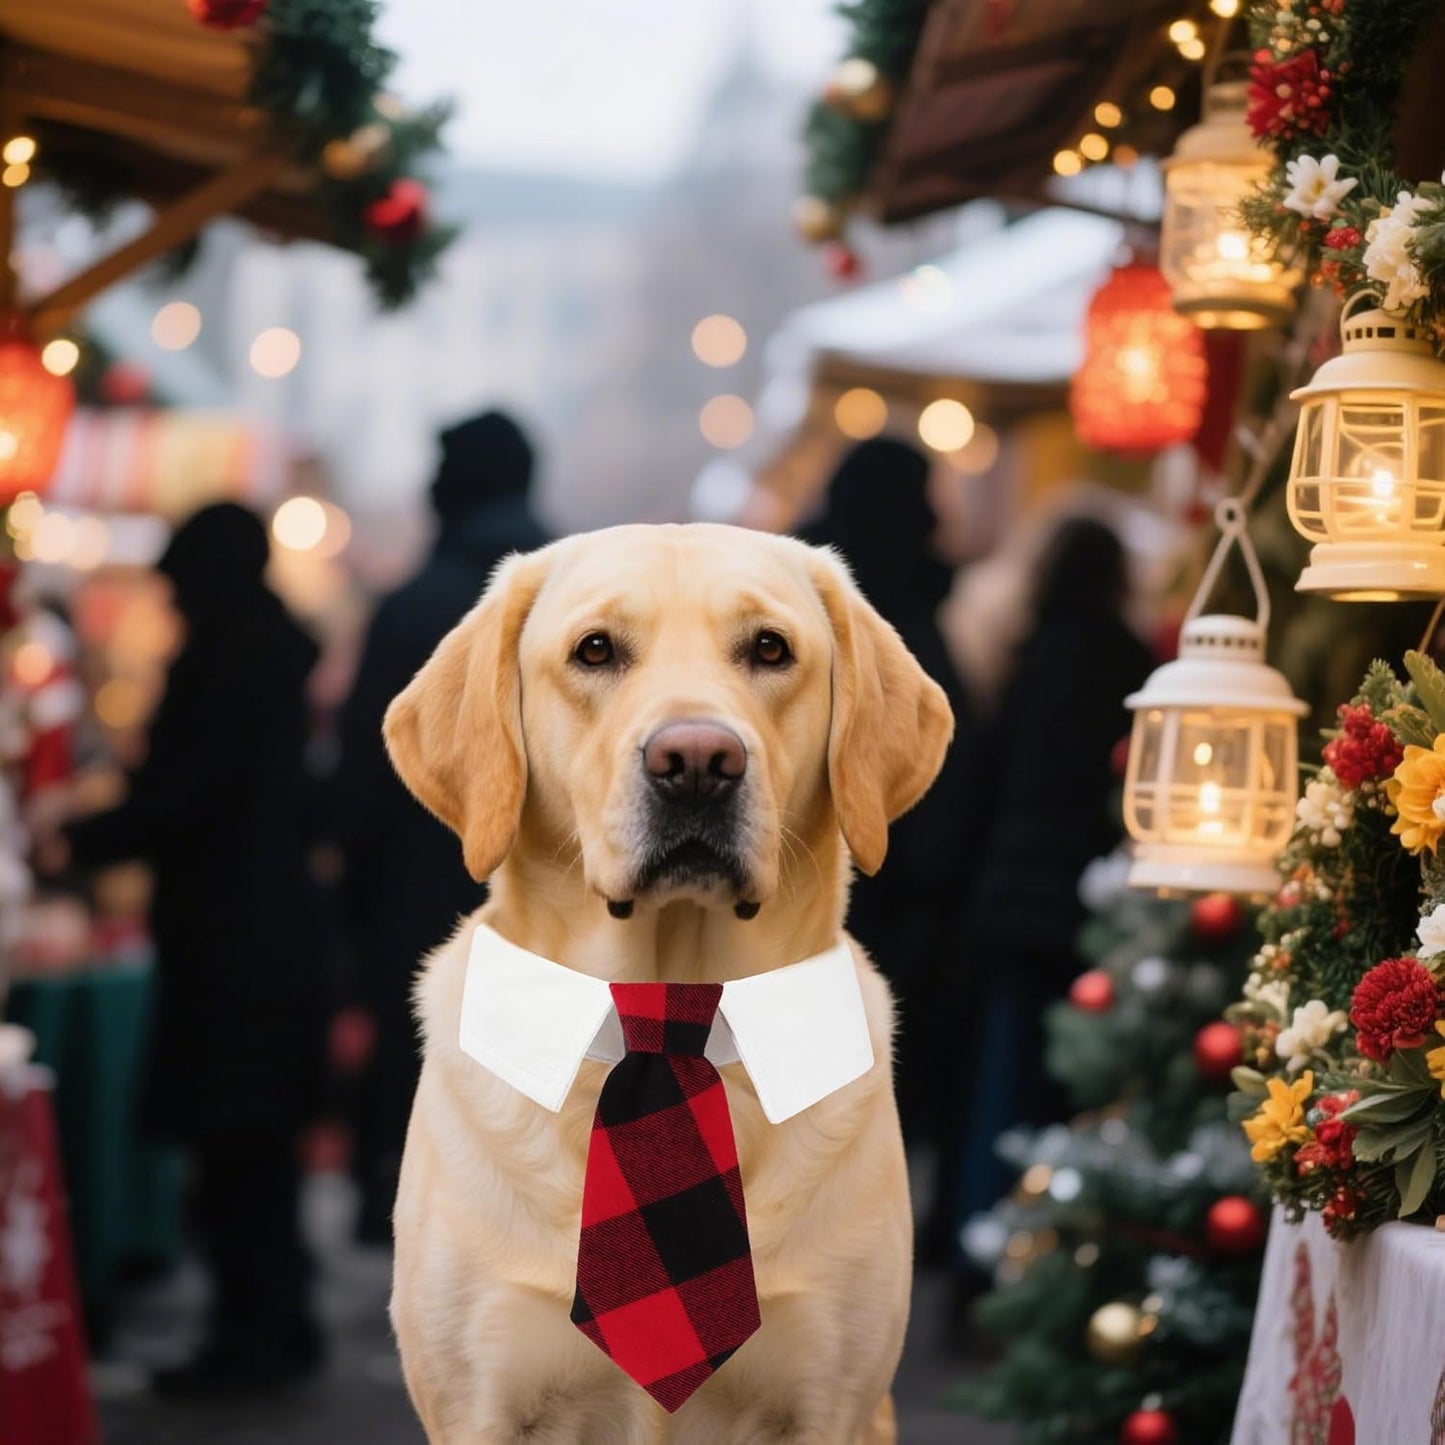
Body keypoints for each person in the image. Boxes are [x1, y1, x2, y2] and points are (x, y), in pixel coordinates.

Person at [62, 502, 328, 1396]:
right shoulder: (271, 654)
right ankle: (278, 1322)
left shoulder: (226, 662)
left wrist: (82, 837)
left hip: (229, 945)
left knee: (234, 1148)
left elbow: (184, 796)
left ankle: (247, 1338)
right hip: (270, 934)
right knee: (260, 1152)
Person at [331, 409, 549, 1243]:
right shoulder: (578, 600)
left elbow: (365, 772)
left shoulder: (412, 608)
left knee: (423, 1088)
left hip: (418, 900)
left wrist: (353, 906)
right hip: (543, 909)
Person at [797, 437, 981, 1255]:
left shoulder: (795, 606)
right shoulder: (916, 614)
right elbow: (953, 761)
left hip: (796, 896)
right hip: (900, 901)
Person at [954, 514, 1154, 1221]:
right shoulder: (1133, 664)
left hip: (1011, 895)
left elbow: (987, 777)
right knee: (1065, 1074)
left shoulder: (1027, 657)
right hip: (1088, 897)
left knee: (998, 1074)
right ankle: (1041, 1229)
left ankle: (976, 1229)